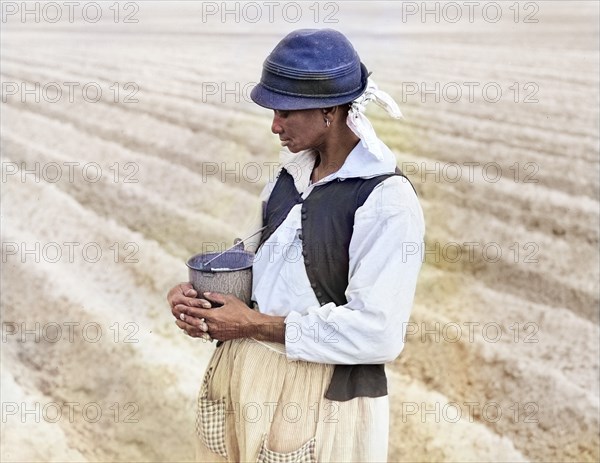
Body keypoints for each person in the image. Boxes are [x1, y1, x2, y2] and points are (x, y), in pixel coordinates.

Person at [167, 28, 425, 462]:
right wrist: (200, 302)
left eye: (286, 112)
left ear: (329, 110)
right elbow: (258, 279)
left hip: (318, 398)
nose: (274, 125)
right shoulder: (287, 181)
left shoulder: (385, 200)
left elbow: (378, 333)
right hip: (243, 376)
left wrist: (253, 325)